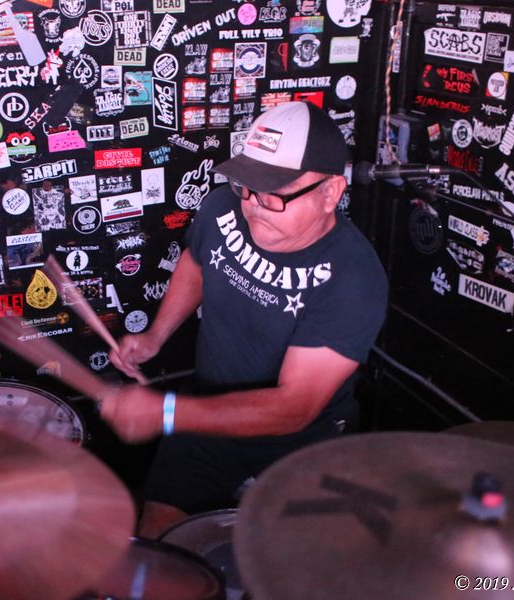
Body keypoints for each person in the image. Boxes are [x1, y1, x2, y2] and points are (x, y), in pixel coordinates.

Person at [100, 101, 389, 538]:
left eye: (275, 193)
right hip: (208, 416)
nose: (254, 206)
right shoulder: (223, 208)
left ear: (331, 192)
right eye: (248, 186)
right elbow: (197, 262)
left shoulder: (353, 278)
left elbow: (294, 408)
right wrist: (156, 335)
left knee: (285, 562)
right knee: (159, 546)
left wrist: (167, 412)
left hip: (302, 444)